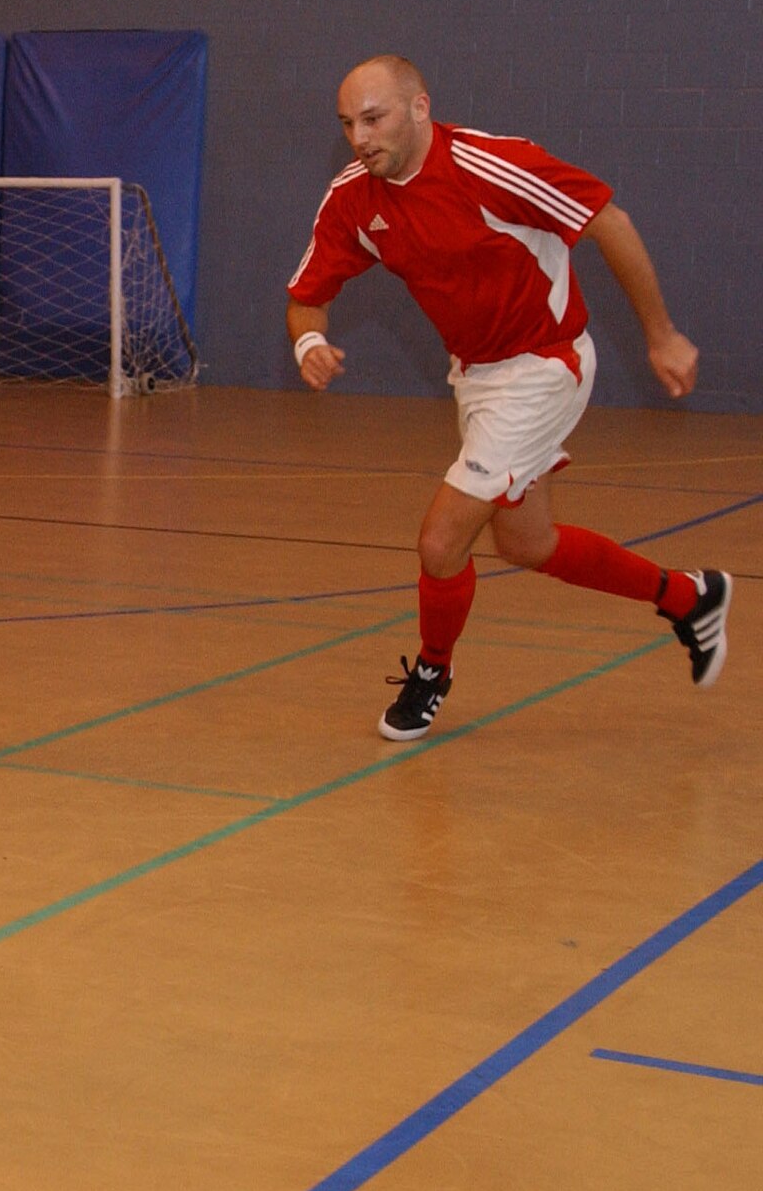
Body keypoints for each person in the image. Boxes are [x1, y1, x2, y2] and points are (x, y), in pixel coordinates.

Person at [288, 55, 731, 741]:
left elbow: (608, 218)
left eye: (372, 118)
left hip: (547, 364)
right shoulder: (354, 197)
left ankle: (433, 671)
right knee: (529, 543)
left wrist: (662, 333)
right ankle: (689, 597)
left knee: (441, 540)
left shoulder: (491, 165)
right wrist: (307, 345)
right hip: (479, 375)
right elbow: (307, 298)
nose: (359, 137)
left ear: (419, 107)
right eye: (347, 123)